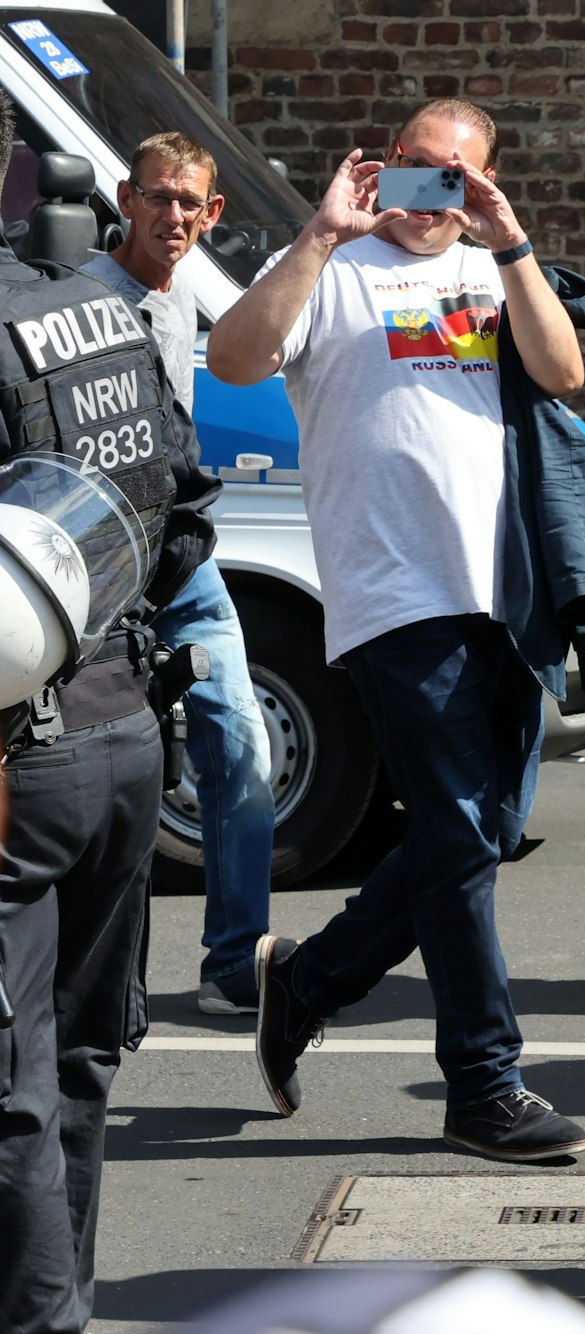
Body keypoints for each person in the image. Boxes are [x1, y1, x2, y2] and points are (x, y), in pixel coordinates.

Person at [205, 98, 585, 1162]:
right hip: (392, 593)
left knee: (474, 833)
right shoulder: (331, 271)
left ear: (482, 184)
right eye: (416, 169)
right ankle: (483, 1081)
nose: (431, 195)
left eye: (455, 177)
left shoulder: (488, 268)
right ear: (381, 166)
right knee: (462, 835)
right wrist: (320, 231)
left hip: (506, 596)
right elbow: (235, 358)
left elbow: (563, 372)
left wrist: (508, 242)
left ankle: (310, 981)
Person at [0, 91, 220, 1328]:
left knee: (14, 1087)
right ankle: (62, 1300)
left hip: (18, 755)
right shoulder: (104, 304)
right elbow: (185, 515)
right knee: (78, 1062)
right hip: (129, 725)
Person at [85, 131, 277, 1019]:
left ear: (212, 214)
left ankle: (235, 961)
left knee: (241, 753)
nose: (172, 216)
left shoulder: (185, 299)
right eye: (157, 197)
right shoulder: (81, 297)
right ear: (127, 197)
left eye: (188, 203)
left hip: (183, 568)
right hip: (97, 576)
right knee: (95, 779)